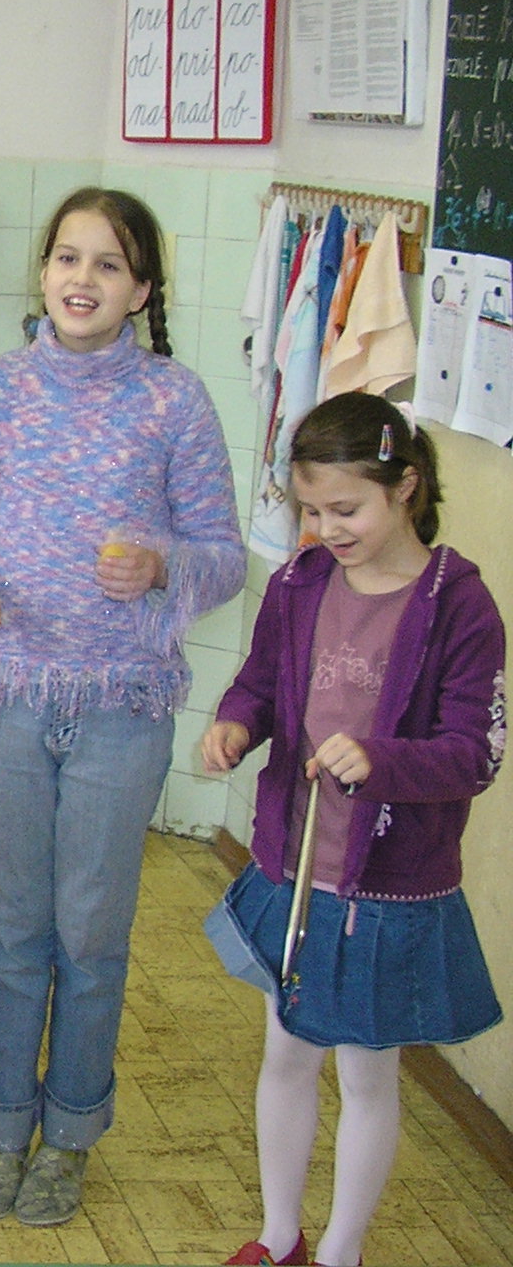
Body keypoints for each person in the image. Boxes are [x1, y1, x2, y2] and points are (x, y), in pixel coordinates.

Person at [0, 187, 243, 1226]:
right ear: (44, 270)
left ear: (141, 290)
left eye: (108, 264)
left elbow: (224, 554)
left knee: (90, 935)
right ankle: (1, 1128)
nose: (82, 279)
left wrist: (161, 566)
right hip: (8, 696)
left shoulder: (175, 401)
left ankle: (68, 1137)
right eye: (67, 257)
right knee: (11, 928)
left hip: (122, 706)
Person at [203, 393, 502, 1267]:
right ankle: (281, 1236)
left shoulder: (459, 605)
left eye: (346, 509)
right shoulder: (299, 584)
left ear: (404, 486)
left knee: (368, 1075)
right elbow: (260, 683)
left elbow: (473, 753)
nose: (326, 529)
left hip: (388, 887)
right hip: (297, 870)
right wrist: (236, 723)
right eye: (311, 510)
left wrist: (381, 761)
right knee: (286, 1054)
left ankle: (342, 1250)